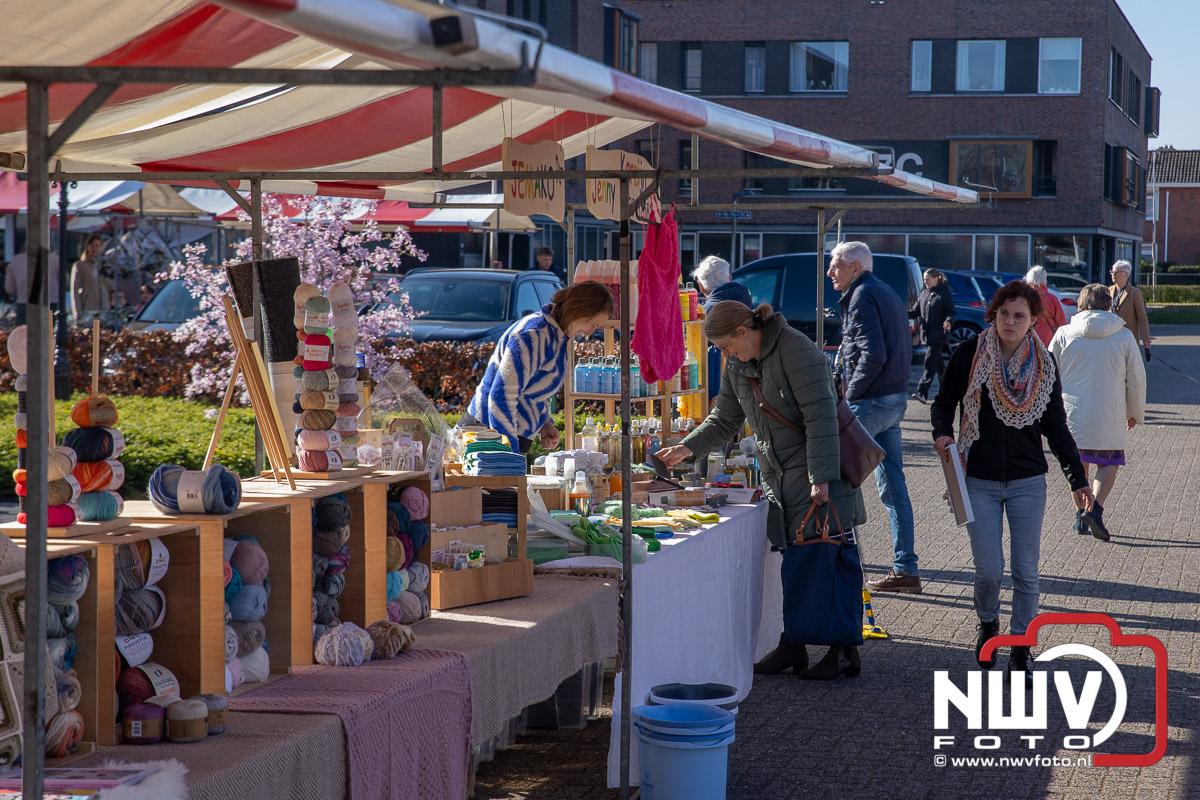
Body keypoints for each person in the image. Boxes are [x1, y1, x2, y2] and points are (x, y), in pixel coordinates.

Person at [657, 301, 866, 680]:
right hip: (781, 475)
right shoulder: (738, 365)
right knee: (797, 560)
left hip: (819, 471)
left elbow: (822, 418)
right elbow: (724, 419)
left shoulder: (796, 349)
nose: (726, 354)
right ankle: (794, 643)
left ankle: (843, 650)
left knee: (829, 557)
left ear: (743, 331)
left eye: (726, 346)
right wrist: (687, 448)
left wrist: (820, 477)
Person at [931, 281, 1093, 677]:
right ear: (994, 314)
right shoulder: (971, 354)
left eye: (1019, 316)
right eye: (1004, 313)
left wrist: (1077, 479)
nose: (1010, 321)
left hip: (1027, 481)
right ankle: (988, 624)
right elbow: (943, 403)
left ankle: (1021, 646)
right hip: (979, 479)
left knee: (1025, 571)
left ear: (1034, 320)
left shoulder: (1044, 365)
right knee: (988, 570)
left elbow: (1056, 427)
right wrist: (943, 434)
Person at [827, 241, 920, 593]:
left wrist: (850, 396)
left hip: (871, 401)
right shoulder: (881, 291)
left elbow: (872, 354)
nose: (830, 271)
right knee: (893, 486)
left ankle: (834, 564)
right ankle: (905, 568)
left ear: (856, 267)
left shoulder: (862, 295)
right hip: (893, 400)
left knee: (834, 477)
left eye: (835, 264)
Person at [463, 281, 612, 454]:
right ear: (580, 311)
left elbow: (533, 390)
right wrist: (508, 455)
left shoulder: (556, 336)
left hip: (500, 438)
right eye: (593, 325)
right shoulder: (533, 335)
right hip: (486, 438)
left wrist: (544, 423)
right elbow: (501, 396)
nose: (590, 333)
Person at [1049, 285, 1146, 541]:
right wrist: (1134, 411)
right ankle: (1096, 509)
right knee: (1109, 462)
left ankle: (1080, 512)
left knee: (1077, 464)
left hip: (1071, 412)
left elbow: (1048, 374)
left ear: (1081, 305)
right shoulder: (1123, 336)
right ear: (1108, 305)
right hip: (1110, 411)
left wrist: (1047, 413)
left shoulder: (1063, 334)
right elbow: (1136, 379)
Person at [692, 255, 752, 401]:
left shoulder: (703, 314)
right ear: (729, 279)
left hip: (717, 391)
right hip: (748, 382)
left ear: (701, 286)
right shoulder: (746, 302)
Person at [910, 268, 954, 403]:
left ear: (936, 278)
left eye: (927, 279)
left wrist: (948, 321)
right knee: (939, 366)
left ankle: (922, 393)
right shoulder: (924, 294)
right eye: (924, 279)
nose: (925, 282)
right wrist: (900, 312)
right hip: (927, 335)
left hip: (938, 336)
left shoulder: (944, 294)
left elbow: (950, 312)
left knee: (929, 364)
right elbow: (915, 312)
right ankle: (949, 391)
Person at [1109, 260, 1152, 361]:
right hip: (1110, 338)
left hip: (1127, 339)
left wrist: (1146, 341)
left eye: (1116, 272)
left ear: (1126, 274)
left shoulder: (1135, 293)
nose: (1113, 274)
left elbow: (1142, 318)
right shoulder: (1108, 290)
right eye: (1112, 271)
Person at [4, 249, 61, 323]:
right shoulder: (55, 259)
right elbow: (65, 283)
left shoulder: (16, 260)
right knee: (49, 328)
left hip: (25, 304)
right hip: (50, 303)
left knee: (24, 329)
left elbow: (9, 289)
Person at [70, 234, 110, 324]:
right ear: (88, 247)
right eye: (93, 246)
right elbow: (75, 290)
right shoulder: (80, 265)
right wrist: (77, 313)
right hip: (88, 310)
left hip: (104, 310)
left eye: (98, 246)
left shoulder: (103, 266)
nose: (95, 249)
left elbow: (109, 286)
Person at [1024, 266, 1066, 346]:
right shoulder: (1052, 298)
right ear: (1044, 279)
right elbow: (1061, 322)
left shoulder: (1024, 298)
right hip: (1047, 337)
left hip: (1027, 335)